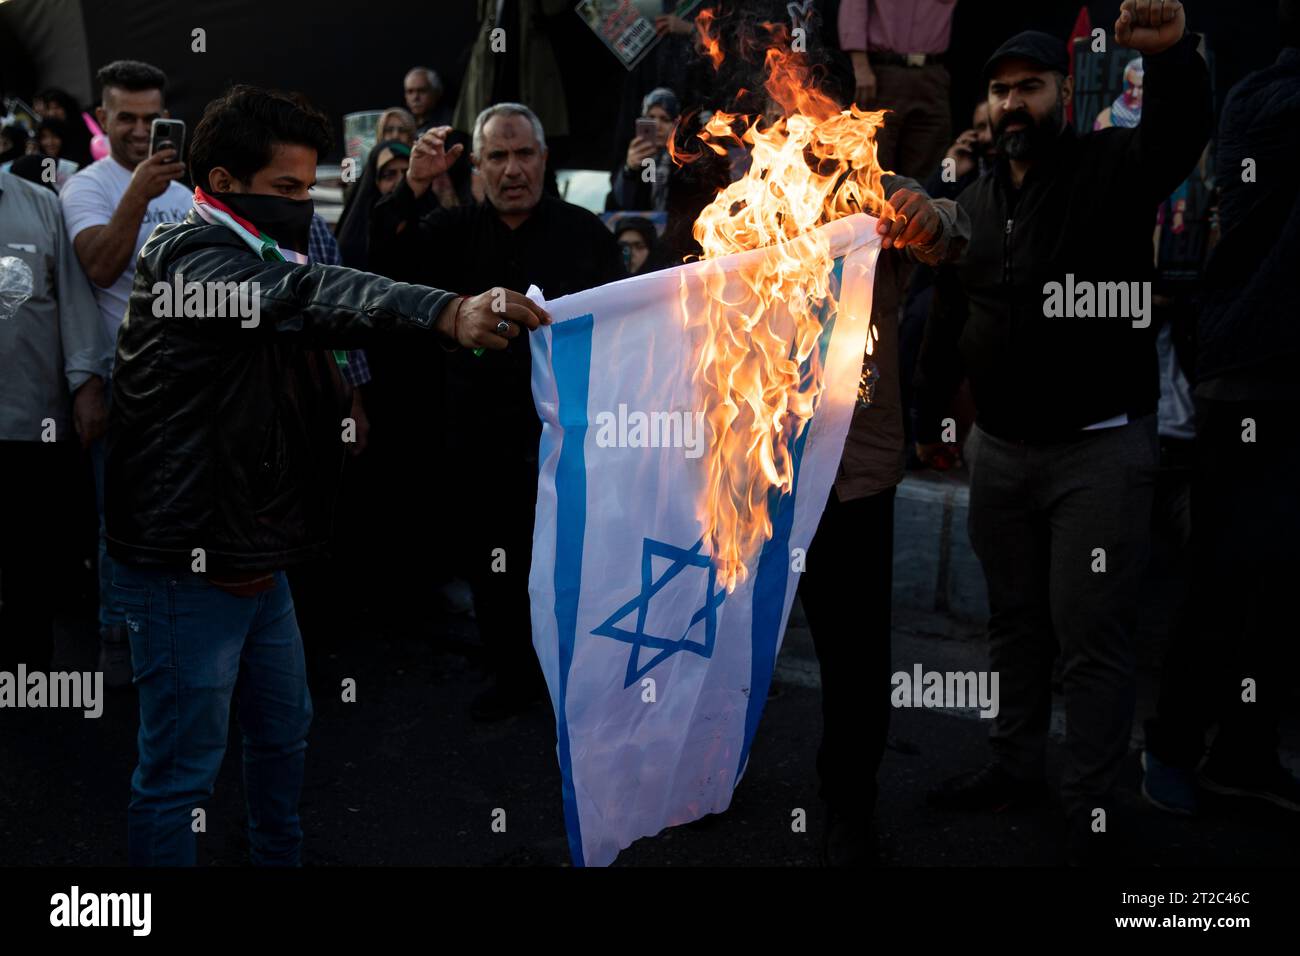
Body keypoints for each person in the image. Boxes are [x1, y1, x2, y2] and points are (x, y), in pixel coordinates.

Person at [106, 84, 546, 866]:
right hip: (189, 563)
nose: (301, 207)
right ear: (219, 185)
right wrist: (444, 313)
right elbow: (307, 297)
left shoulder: (264, 247)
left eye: (309, 189)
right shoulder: (188, 262)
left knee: (285, 733)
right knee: (179, 776)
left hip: (257, 554)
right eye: (285, 190)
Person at [913, 2, 1211, 865]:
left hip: (1098, 452)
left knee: (1090, 636)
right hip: (1000, 453)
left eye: (1031, 88)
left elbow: (1177, 133)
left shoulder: (1111, 169)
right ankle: (1014, 766)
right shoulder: (968, 206)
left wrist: (1175, 58)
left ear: (1062, 97)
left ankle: (1089, 803)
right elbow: (949, 321)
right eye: (1001, 91)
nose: (1013, 104)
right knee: (1012, 623)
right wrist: (935, 416)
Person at [371, 104, 624, 721]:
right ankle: (511, 677)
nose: (513, 170)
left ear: (544, 158)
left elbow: (622, 326)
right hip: (479, 437)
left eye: (525, 154)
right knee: (495, 563)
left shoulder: (586, 233)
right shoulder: (448, 232)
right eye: (497, 157)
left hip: (570, 438)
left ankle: (577, 681)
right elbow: (377, 262)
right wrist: (412, 186)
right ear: (478, 167)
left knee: (573, 560)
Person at [1141, 0, 1300, 817]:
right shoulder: (1267, 101)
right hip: (1255, 373)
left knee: (1280, 587)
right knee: (1227, 575)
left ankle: (1243, 749)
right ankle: (1172, 746)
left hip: (1270, 370)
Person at [801, 176, 969, 866]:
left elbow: (952, 232)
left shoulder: (875, 194)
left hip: (851, 479)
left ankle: (849, 809)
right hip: (749, 474)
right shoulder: (742, 191)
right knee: (725, 645)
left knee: (855, 660)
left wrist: (928, 217)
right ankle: (710, 774)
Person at [60, 59, 193, 688]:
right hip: (126, 380)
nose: (142, 131)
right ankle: (120, 638)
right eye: (127, 118)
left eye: (153, 117)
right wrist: (139, 191)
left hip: (191, 378)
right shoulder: (87, 187)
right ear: (103, 117)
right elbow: (101, 268)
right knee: (123, 514)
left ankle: (181, 630)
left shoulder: (190, 191)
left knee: (188, 508)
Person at [0, 168, 111, 671]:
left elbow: (73, 299)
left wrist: (87, 383)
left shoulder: (42, 205)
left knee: (28, 556)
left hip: (27, 419)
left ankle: (27, 675)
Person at [838, 0, 959, 181]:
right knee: (875, 164)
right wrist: (860, 66)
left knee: (929, 163)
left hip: (933, 72)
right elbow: (854, 5)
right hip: (884, 72)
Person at [336, 140, 412, 268]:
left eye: (407, 173)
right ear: (375, 181)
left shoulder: (430, 216)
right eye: (389, 175)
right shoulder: (357, 236)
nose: (399, 182)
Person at [608, 87, 679, 212]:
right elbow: (618, 204)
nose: (657, 125)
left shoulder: (685, 160)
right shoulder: (636, 157)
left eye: (665, 119)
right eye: (651, 117)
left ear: (675, 124)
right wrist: (629, 170)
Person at [403, 68, 450, 135]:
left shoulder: (450, 123)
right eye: (410, 92)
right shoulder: (402, 123)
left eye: (422, 91)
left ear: (436, 93)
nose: (415, 97)